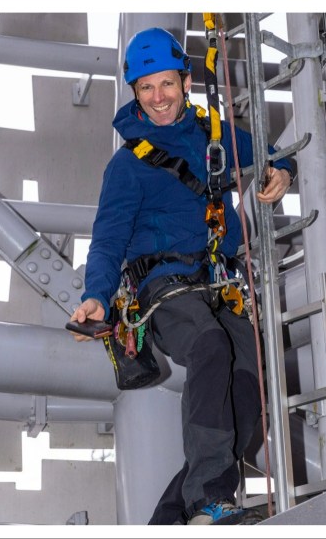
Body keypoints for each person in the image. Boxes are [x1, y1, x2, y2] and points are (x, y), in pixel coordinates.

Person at [70, 27, 293, 525]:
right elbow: (107, 240)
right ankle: (210, 499)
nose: (158, 97)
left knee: (249, 390)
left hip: (217, 284)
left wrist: (283, 170)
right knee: (210, 348)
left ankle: (175, 516)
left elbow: (269, 152)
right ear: (134, 93)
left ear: (185, 82)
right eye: (146, 88)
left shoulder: (214, 136)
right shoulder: (127, 167)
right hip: (163, 289)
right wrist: (97, 297)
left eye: (166, 84)